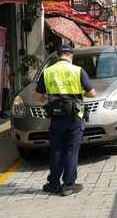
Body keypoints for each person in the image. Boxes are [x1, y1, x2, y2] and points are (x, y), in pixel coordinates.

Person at [35, 44, 96, 196]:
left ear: (57, 56)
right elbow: (92, 93)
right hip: (75, 116)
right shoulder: (77, 70)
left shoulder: (47, 72)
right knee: (71, 150)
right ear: (71, 56)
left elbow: (38, 97)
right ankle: (69, 184)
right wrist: (78, 93)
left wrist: (52, 96)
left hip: (56, 116)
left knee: (56, 150)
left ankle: (54, 183)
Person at [0, 52, 14, 119]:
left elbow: (7, 74)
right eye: (4, 57)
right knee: (2, 99)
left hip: (7, 84)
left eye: (6, 58)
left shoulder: (7, 65)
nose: (5, 59)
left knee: (5, 99)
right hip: (1, 85)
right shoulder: (0, 65)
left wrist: (11, 75)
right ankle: (1, 113)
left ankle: (4, 112)